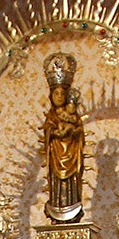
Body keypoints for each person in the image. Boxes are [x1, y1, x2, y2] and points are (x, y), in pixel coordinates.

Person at [42, 51, 85, 224]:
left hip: (71, 157)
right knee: (56, 183)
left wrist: (72, 132)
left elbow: (79, 133)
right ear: (51, 95)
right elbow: (47, 132)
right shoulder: (51, 117)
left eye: (62, 94)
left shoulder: (74, 117)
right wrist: (53, 133)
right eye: (56, 93)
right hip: (56, 156)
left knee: (71, 182)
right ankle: (57, 210)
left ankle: (72, 211)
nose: (59, 97)